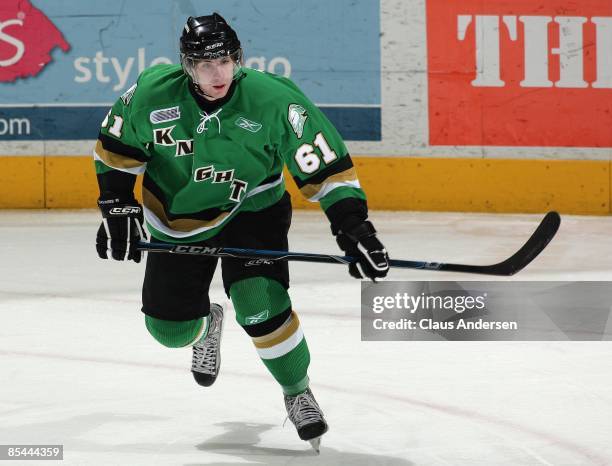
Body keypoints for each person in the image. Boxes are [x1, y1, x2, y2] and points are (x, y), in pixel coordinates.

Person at [93, 13, 389, 451]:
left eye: (226, 61)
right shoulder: (153, 93)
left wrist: (352, 225)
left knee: (260, 309)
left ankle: (297, 391)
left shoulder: (273, 99)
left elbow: (324, 166)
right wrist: (116, 203)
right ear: (186, 66)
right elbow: (117, 147)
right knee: (170, 331)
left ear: (238, 58)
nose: (219, 73)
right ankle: (206, 323)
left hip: (254, 210)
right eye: (206, 64)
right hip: (177, 215)